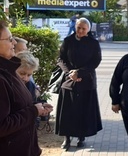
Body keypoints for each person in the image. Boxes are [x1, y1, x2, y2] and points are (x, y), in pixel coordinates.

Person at [0, 20, 49, 156]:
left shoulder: (9, 70)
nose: (14, 43)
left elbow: (16, 106)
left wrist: (38, 107)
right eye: (10, 39)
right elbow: (2, 125)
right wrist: (33, 111)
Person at [55, 17, 102, 151]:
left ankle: (81, 137)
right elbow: (61, 58)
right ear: (75, 27)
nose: (80, 30)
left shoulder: (93, 43)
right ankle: (67, 138)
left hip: (87, 80)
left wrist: (80, 73)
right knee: (67, 111)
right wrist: (71, 73)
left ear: (88, 29)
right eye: (78, 27)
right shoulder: (68, 41)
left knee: (83, 110)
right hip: (69, 79)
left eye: (83, 28)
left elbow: (95, 61)